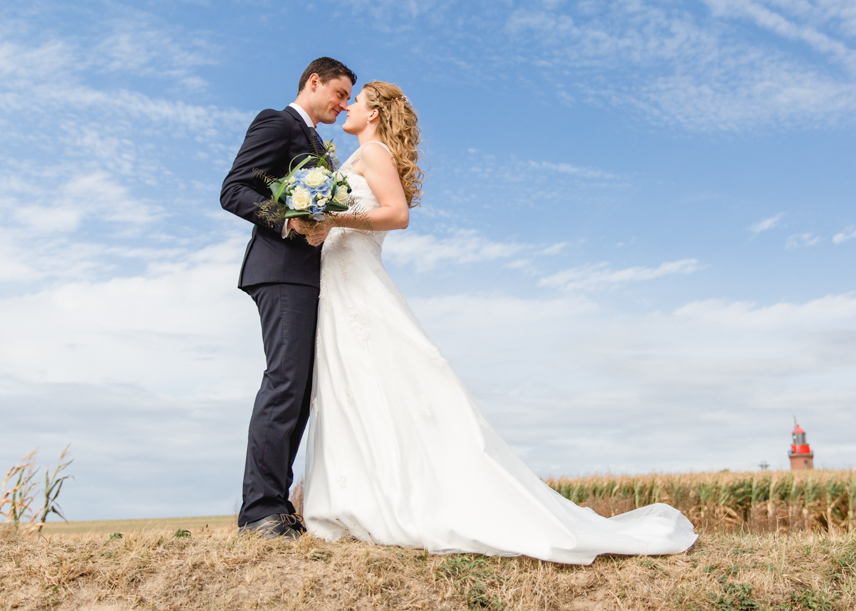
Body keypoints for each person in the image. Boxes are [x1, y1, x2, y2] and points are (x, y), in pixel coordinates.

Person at [292, 81, 698, 564]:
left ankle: (381, 500)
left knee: (377, 381)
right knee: (351, 386)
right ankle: (356, 497)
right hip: (339, 283)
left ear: (375, 113)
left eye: (356, 102)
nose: (348, 106)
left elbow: (397, 215)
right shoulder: (360, 155)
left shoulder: (373, 152)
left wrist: (337, 220)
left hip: (358, 285)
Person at [220, 57, 356, 538]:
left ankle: (277, 505)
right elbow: (234, 189)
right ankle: (258, 511)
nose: (343, 106)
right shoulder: (277, 124)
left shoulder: (319, 143)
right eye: (339, 95)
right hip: (279, 271)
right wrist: (288, 220)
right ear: (313, 82)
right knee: (284, 384)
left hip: (309, 274)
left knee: (297, 393)